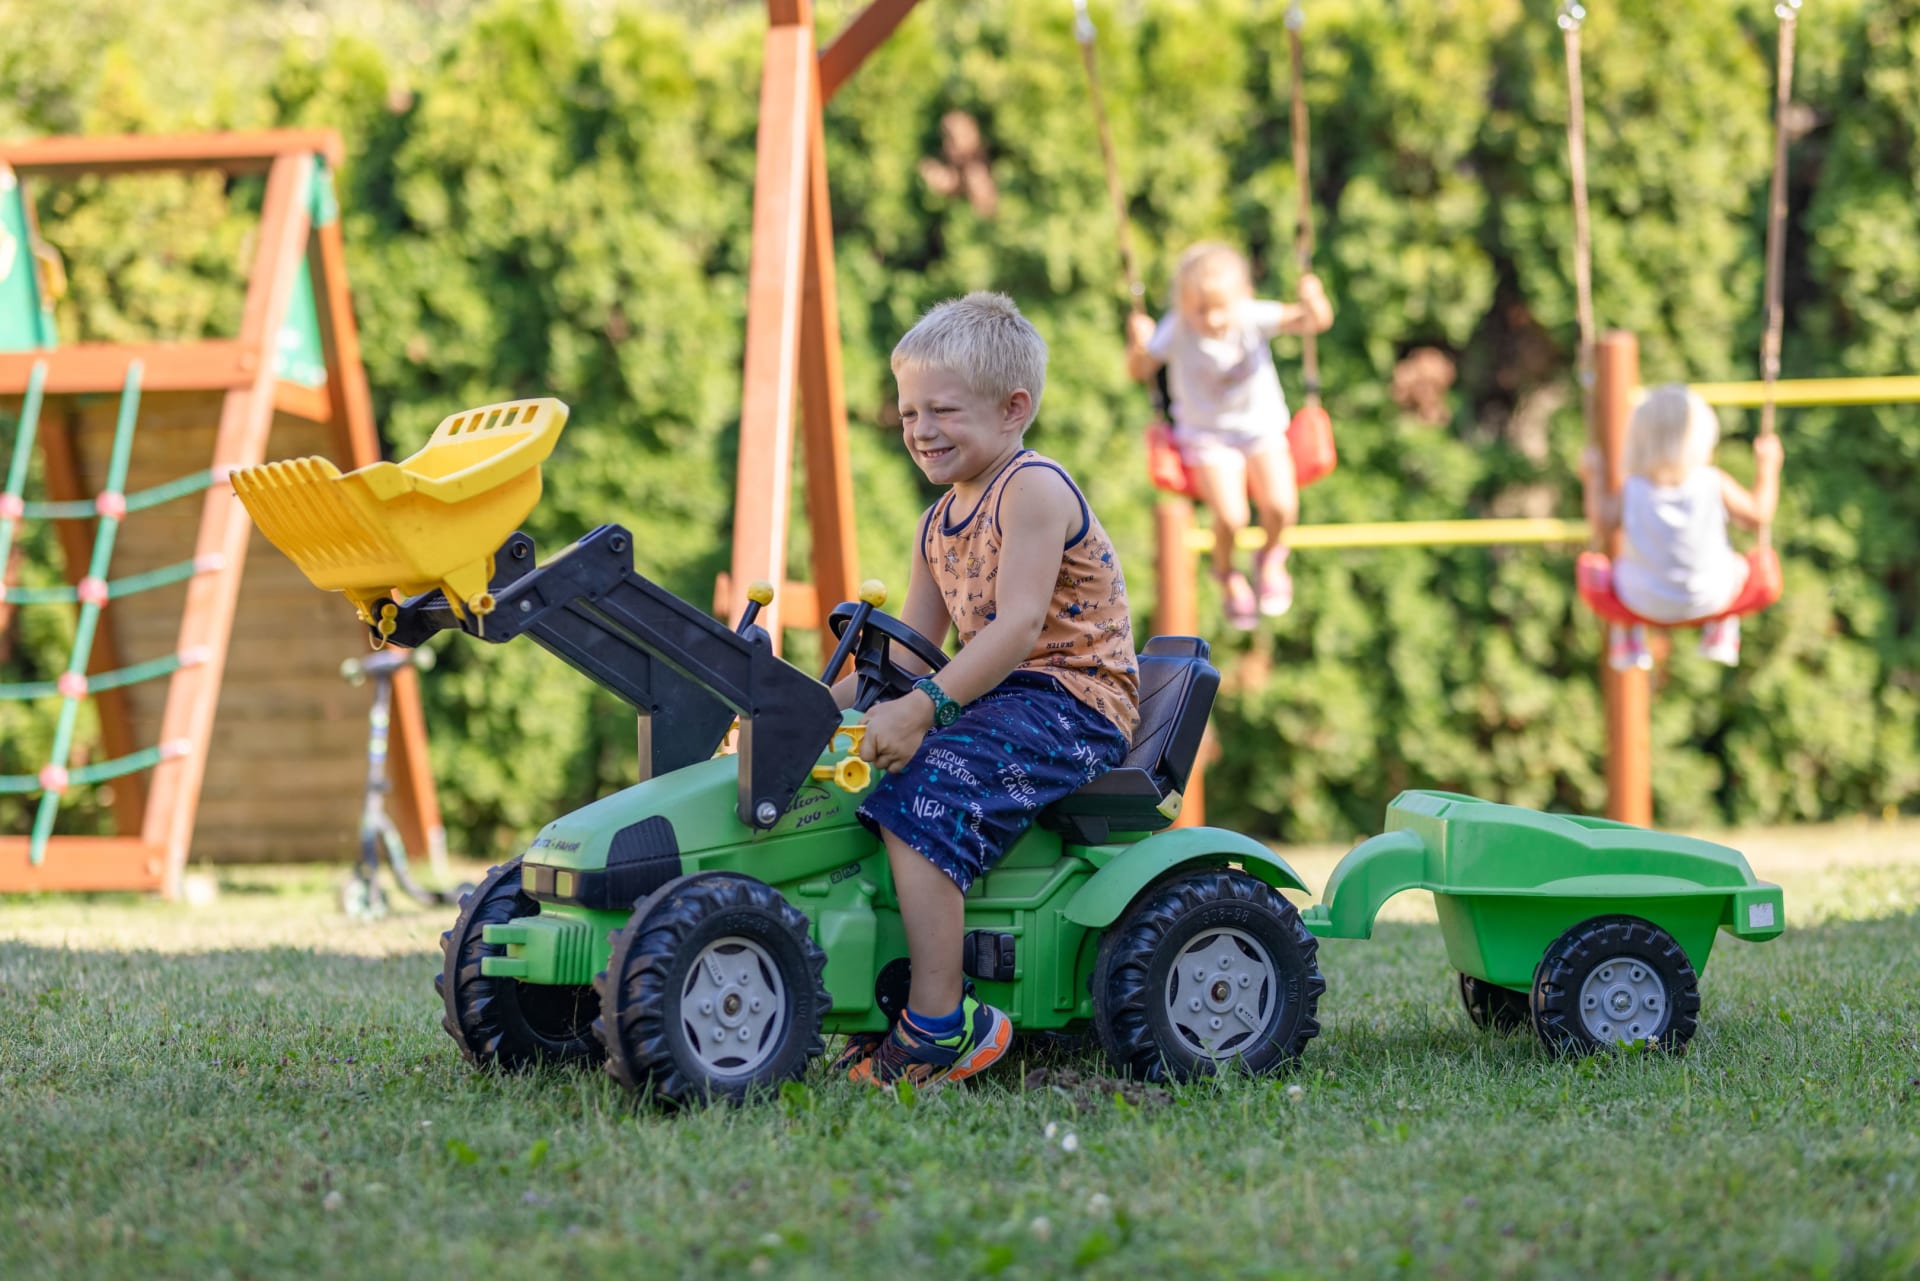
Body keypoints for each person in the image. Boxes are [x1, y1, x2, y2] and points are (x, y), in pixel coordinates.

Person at [833, 291, 1140, 1089]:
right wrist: (808, 712)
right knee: (850, 779)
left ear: (1013, 409)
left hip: (1076, 699)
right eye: (908, 413)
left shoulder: (1032, 488)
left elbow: (1016, 626)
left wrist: (924, 709)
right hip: (1001, 698)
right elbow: (908, 655)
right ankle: (882, 993)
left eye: (943, 410)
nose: (921, 430)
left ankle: (941, 1022)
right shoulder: (936, 522)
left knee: (927, 787)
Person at [1124, 242, 1334, 628]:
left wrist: (1314, 299)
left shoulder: (1251, 316)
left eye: (1221, 307)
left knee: (1281, 505)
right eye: (1200, 309)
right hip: (1207, 438)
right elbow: (1140, 370)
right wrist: (1138, 345)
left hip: (1261, 428)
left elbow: (1314, 321)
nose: (1213, 318)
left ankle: (1271, 558)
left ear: (1243, 297)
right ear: (1182, 304)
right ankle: (1227, 574)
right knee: (1232, 517)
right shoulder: (1177, 329)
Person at [1581, 384, 1783, 669]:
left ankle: (1626, 639)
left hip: (1638, 600)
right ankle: (1722, 631)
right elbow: (1758, 515)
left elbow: (1601, 523)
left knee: (1616, 569)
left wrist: (1593, 478)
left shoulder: (1633, 488)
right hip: (1712, 598)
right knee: (1738, 564)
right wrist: (1768, 466)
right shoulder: (1711, 481)